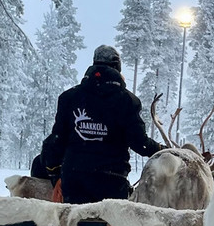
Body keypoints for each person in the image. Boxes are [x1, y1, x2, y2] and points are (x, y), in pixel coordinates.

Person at [43, 45, 164, 204]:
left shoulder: (69, 98)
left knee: (74, 223)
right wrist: (162, 150)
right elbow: (139, 143)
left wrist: (54, 173)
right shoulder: (127, 101)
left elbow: (56, 140)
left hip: (74, 179)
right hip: (112, 180)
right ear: (117, 67)